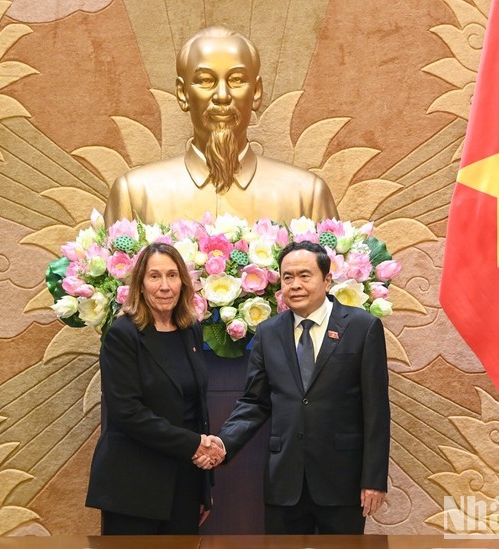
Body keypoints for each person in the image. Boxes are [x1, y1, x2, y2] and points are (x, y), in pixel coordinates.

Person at [203, 241, 390, 534]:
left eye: (305, 275)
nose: (295, 285)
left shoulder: (362, 328)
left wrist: (374, 479)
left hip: (342, 481)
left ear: (327, 280)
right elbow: (255, 401)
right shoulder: (269, 332)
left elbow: (377, 411)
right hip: (285, 481)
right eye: (288, 277)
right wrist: (224, 443)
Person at [103, 26, 338, 225]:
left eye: (236, 80)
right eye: (206, 81)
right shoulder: (135, 194)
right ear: (182, 94)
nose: (222, 96)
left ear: (256, 92)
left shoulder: (307, 196)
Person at [85, 242, 225, 534]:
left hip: (184, 480)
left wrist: (203, 488)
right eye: (155, 276)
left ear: (184, 283)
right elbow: (128, 412)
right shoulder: (123, 334)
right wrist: (195, 444)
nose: (165, 286)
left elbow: (196, 408)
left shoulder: (190, 329)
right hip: (134, 485)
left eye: (172, 276)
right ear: (140, 284)